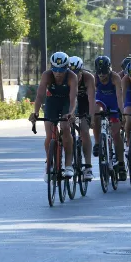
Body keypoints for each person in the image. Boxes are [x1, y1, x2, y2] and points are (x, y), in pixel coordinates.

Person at [29, 52, 79, 180]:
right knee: (49, 130)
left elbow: (73, 99)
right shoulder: (47, 75)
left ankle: (68, 165)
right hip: (52, 101)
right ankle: (49, 164)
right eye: (55, 69)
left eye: (61, 69)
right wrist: (35, 112)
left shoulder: (72, 77)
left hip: (66, 102)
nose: (58, 73)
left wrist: (71, 113)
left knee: (65, 127)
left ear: (67, 67)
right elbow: (40, 96)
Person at [92, 55, 126, 181]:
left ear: (109, 69)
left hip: (113, 102)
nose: (102, 75)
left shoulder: (115, 78)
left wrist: (121, 112)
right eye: (99, 73)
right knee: (95, 113)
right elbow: (92, 95)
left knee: (116, 134)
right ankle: (97, 142)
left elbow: (119, 96)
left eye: (104, 73)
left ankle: (121, 164)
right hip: (100, 101)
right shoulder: (94, 78)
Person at [69, 56, 94, 181]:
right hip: (70, 107)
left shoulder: (88, 78)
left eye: (77, 73)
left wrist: (91, 117)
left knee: (84, 131)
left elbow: (91, 99)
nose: (75, 77)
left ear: (82, 71)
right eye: (72, 73)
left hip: (84, 107)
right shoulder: (65, 78)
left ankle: (88, 166)